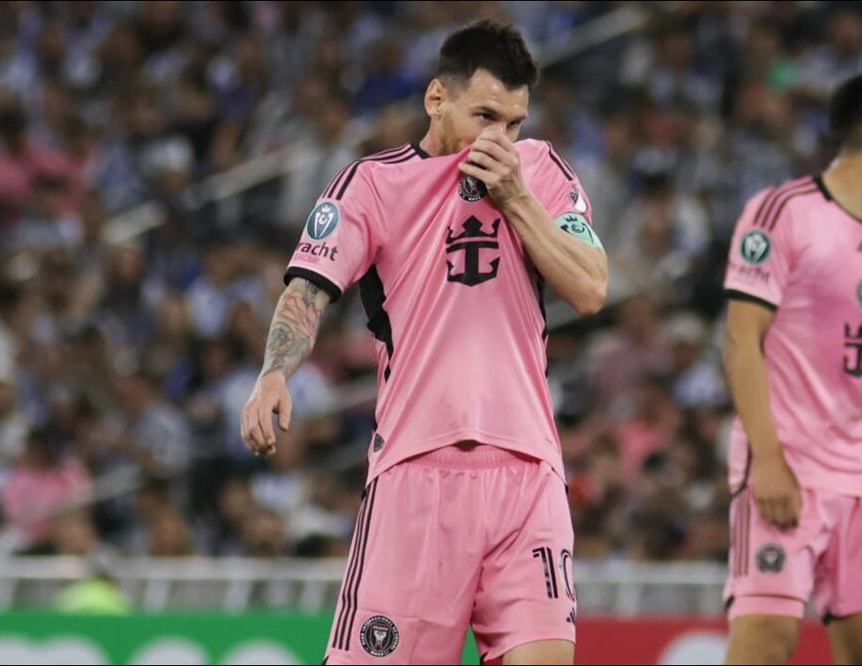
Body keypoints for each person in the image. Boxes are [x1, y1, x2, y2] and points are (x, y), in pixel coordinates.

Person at [240, 20, 607, 666]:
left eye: (513, 123)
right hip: (416, 472)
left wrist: (516, 198)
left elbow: (591, 288)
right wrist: (275, 372)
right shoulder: (371, 185)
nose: (500, 138)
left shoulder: (539, 172)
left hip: (527, 473)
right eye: (485, 116)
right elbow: (307, 291)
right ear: (437, 99)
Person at [721, 74, 862, 665]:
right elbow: (741, 340)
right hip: (787, 461)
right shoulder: (782, 212)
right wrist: (768, 459)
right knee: (765, 642)